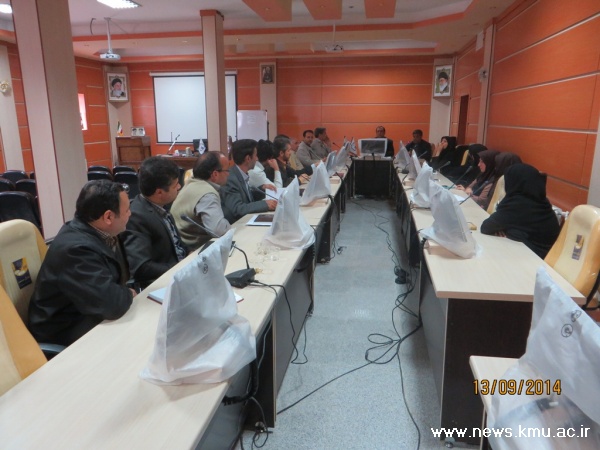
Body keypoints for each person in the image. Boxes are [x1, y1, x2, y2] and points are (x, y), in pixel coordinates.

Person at [28, 180, 134, 346]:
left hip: (86, 315)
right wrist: (128, 293)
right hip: (64, 331)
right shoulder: (76, 250)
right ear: (108, 217)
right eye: (127, 210)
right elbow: (111, 304)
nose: (130, 214)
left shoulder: (100, 232)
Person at [122, 157, 187, 289]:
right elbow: (141, 267)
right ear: (159, 192)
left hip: (180, 273)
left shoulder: (161, 205)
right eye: (175, 185)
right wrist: (181, 267)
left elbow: (176, 245)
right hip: (163, 283)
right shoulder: (137, 217)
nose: (179, 187)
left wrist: (190, 254)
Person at [481, 163, 560, 258]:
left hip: (532, 258)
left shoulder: (518, 203)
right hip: (535, 255)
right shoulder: (538, 200)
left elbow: (486, 227)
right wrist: (511, 231)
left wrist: (508, 231)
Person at [172, 151, 232, 249]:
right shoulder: (207, 194)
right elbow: (218, 231)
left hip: (182, 244)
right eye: (227, 170)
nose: (229, 174)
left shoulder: (192, 183)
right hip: (194, 249)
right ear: (215, 174)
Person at [221, 139, 278, 223]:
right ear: (248, 158)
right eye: (255, 156)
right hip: (237, 225)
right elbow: (238, 208)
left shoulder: (242, 173)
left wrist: (262, 189)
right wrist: (265, 204)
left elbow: (246, 198)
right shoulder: (231, 179)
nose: (257, 159)